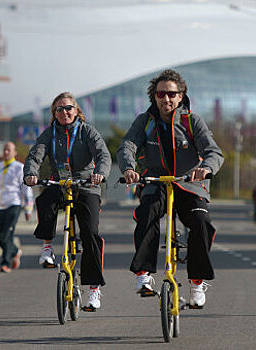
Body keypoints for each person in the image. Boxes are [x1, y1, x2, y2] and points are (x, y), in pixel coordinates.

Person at [117, 69, 224, 308]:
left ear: (181, 96)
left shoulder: (191, 121)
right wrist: (128, 168)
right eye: (161, 94)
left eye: (171, 94)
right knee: (146, 213)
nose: (166, 98)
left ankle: (197, 282)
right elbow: (127, 146)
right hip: (156, 183)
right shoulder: (144, 121)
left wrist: (206, 168)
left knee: (201, 224)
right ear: (154, 97)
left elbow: (213, 152)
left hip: (189, 185)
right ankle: (144, 275)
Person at [24, 91, 111, 312]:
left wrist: (100, 173)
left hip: (86, 185)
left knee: (90, 233)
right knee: (45, 199)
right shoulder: (49, 133)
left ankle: (94, 289)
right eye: (59, 109)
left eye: (68, 108)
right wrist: (31, 173)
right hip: (61, 183)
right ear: (54, 113)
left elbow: (103, 155)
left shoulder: (87, 131)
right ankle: (46, 248)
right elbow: (35, 155)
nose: (64, 112)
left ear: (76, 110)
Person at [0, 142, 34, 273]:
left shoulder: (19, 168)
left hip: (14, 204)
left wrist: (28, 209)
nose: (6, 152)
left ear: (14, 152)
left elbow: (26, 190)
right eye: (4, 150)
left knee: (7, 233)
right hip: (0, 205)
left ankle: (5, 263)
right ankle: (15, 251)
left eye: (9, 150)